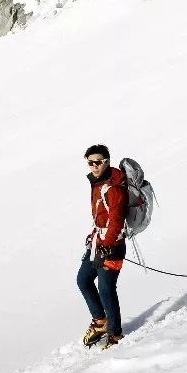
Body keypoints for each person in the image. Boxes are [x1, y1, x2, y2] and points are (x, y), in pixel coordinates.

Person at [77, 144, 128, 348]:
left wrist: (107, 245)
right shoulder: (98, 183)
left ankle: (115, 334)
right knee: (83, 279)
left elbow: (117, 220)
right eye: (90, 163)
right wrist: (94, 237)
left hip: (112, 245)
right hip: (98, 242)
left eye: (98, 162)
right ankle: (100, 321)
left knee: (106, 289)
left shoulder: (113, 187)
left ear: (107, 161)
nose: (94, 166)